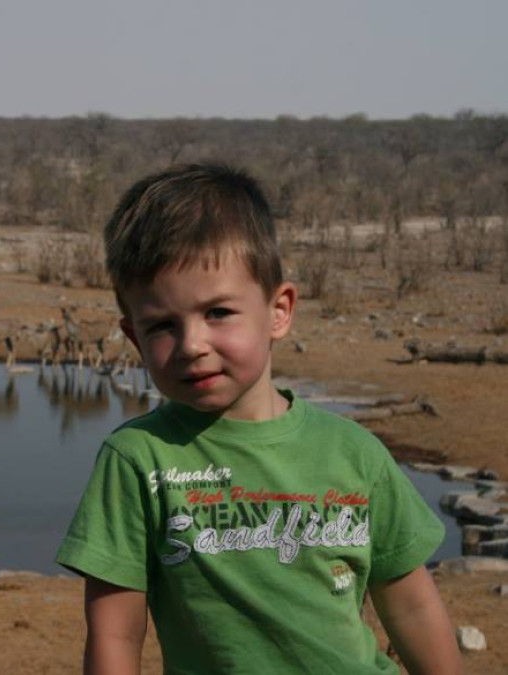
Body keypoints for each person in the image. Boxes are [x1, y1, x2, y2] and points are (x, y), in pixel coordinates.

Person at [55, 163, 462, 674]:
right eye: (161, 325)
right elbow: (115, 631)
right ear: (134, 337)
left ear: (279, 310)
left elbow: (411, 604)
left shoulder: (354, 452)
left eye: (218, 313)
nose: (192, 346)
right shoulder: (138, 461)